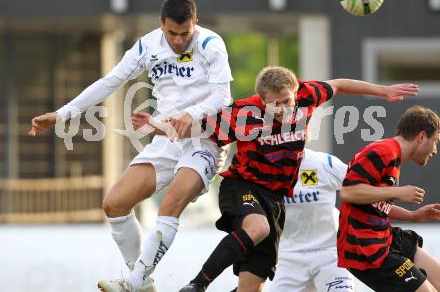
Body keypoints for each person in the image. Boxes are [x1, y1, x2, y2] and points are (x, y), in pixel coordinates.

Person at [133, 66, 419, 292]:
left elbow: (340, 84)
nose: (283, 109)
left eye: (287, 102)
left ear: (297, 92)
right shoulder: (244, 113)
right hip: (242, 186)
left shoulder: (307, 95)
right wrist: (155, 127)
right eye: (274, 104)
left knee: (252, 284)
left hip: (274, 198)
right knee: (257, 227)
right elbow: (194, 128)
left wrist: (382, 91)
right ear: (262, 101)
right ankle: (198, 284)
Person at [28, 0, 233, 292]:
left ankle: (132, 283)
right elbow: (109, 82)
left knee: (171, 204)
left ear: (195, 24)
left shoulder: (210, 44)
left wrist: (191, 114)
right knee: (114, 204)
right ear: (161, 25)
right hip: (165, 140)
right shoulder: (146, 46)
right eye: (171, 33)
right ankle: (143, 281)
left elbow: (221, 96)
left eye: (185, 33)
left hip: (204, 139)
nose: (178, 41)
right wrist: (62, 115)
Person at [337, 105, 440, 292]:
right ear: (422, 136)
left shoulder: (392, 155)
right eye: (436, 141)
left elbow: (374, 203)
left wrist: (412, 216)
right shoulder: (385, 151)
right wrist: (398, 192)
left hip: (385, 236)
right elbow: (348, 192)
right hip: (366, 248)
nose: (435, 150)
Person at [268, 148, 354, 292]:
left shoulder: (325, 163)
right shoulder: (266, 168)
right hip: (289, 257)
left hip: (331, 254)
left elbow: (360, 187)